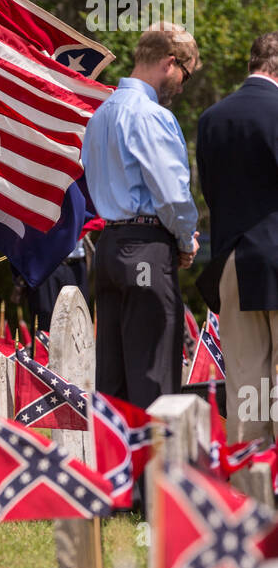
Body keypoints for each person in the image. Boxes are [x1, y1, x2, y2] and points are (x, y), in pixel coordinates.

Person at [81, 22, 200, 410]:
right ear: (169, 63)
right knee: (154, 375)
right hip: (146, 248)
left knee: (113, 378)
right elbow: (171, 194)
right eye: (186, 73)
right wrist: (186, 240)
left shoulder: (100, 114)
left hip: (110, 248)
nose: (182, 85)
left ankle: (118, 467)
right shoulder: (151, 115)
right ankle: (155, 471)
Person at [196, 32, 278, 445]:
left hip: (232, 259)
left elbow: (210, 190)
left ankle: (251, 486)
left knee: (247, 379)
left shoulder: (212, 118)